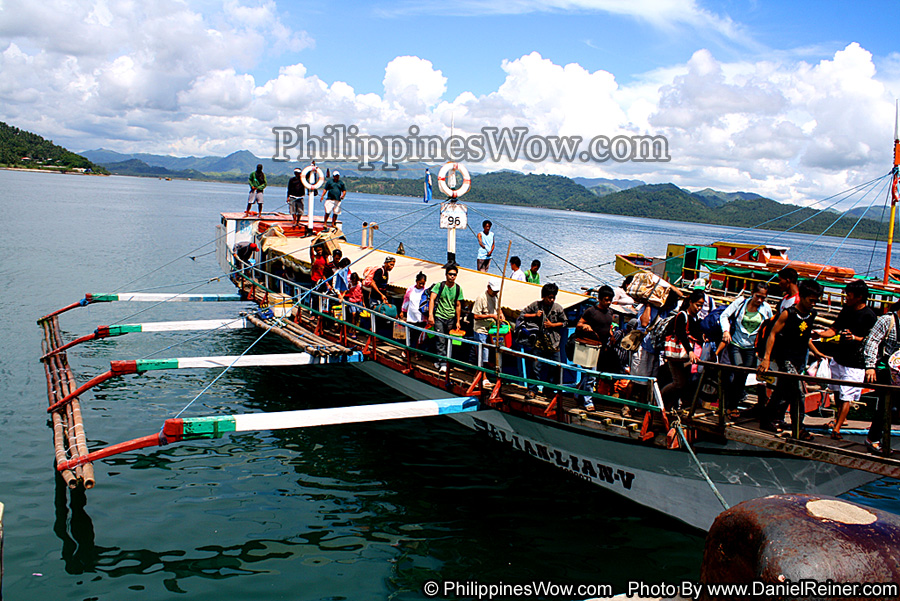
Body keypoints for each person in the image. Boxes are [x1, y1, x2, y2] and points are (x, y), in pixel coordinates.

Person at [758, 279, 823, 439]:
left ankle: (766, 419)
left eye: (815, 301)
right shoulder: (788, 313)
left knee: (781, 391)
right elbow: (772, 334)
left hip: (799, 359)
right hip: (785, 358)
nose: (813, 304)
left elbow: (806, 337)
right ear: (802, 297)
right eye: (811, 300)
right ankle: (799, 428)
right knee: (798, 393)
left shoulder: (811, 314)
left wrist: (816, 352)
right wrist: (766, 358)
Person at [812, 279, 876, 440]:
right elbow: (834, 329)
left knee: (846, 395)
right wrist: (820, 334)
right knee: (837, 391)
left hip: (855, 362)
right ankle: (839, 419)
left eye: (849, 294)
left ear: (859, 297)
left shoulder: (869, 316)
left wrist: (854, 337)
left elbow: (872, 341)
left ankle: (837, 428)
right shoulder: (846, 310)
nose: (846, 297)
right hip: (839, 358)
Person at [718, 282, 773, 418]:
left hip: (752, 346)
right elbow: (724, 315)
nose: (759, 300)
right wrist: (726, 331)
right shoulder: (741, 303)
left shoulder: (766, 309)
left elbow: (770, 327)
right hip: (736, 342)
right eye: (757, 296)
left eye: (763, 298)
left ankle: (731, 405)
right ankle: (730, 405)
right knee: (738, 369)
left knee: (743, 375)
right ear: (752, 294)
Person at [863, 300, 900, 455]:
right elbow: (872, 342)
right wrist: (870, 366)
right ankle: (873, 439)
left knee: (895, 407)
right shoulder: (887, 320)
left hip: (899, 371)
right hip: (886, 368)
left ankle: (881, 438)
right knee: (887, 405)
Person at [574, 285, 619, 410]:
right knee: (591, 375)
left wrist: (611, 335)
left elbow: (607, 326)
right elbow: (579, 324)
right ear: (599, 299)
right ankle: (588, 401)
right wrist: (585, 327)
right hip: (590, 347)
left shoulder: (610, 312)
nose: (608, 302)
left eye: (610, 300)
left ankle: (578, 394)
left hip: (602, 348)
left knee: (590, 375)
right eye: (606, 299)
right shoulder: (591, 311)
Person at [660, 290, 705, 410]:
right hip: (677, 354)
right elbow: (681, 334)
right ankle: (659, 400)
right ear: (691, 302)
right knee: (679, 383)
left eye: (701, 305)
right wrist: (690, 351)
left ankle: (669, 405)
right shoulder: (682, 315)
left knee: (682, 383)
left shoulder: (695, 318)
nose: (699, 308)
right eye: (697, 304)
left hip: (684, 356)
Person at [520, 283, 566, 398]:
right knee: (535, 367)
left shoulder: (558, 308)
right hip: (538, 343)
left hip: (553, 343)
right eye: (549, 297)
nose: (551, 300)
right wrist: (534, 315)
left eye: (553, 297)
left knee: (555, 368)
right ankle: (532, 389)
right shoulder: (536, 305)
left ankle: (549, 389)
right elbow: (522, 314)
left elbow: (564, 322)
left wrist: (552, 325)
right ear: (543, 296)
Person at [427, 265, 463, 373]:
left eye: (454, 275)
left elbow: (458, 305)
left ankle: (445, 361)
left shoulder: (458, 288)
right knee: (440, 340)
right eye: (450, 274)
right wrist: (430, 315)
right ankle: (443, 363)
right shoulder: (439, 286)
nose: (452, 277)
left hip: (451, 318)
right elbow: (432, 300)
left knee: (449, 341)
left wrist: (458, 321)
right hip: (439, 316)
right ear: (446, 274)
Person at [471, 279, 503, 382]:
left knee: (490, 353)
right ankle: (483, 377)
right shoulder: (481, 298)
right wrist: (491, 316)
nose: (495, 293)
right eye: (493, 291)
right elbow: (475, 315)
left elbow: (498, 308)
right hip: (481, 329)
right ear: (488, 287)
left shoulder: (495, 297)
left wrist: (501, 316)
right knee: (483, 354)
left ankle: (478, 375)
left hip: (491, 329)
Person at [401, 272, 429, 349]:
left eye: (423, 284)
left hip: (421, 318)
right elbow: (406, 301)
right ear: (416, 281)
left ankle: (417, 352)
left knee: (419, 337)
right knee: (411, 335)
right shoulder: (411, 289)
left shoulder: (426, 291)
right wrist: (403, 311)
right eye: (420, 283)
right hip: (411, 317)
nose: (421, 285)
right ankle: (407, 350)